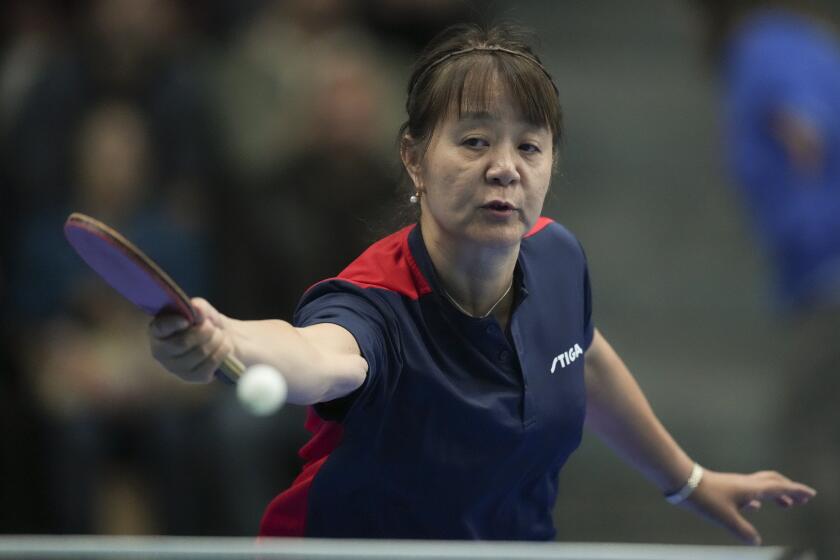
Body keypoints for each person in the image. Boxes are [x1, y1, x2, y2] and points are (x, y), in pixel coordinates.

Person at [148, 23, 815, 542]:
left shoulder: (555, 258)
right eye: (473, 142)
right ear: (414, 157)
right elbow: (317, 357)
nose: (505, 168)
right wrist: (226, 339)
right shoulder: (377, 303)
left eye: (529, 146)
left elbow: (579, 356)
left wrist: (690, 482)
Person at [696, 0, 840, 555]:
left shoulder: (763, 44)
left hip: (830, 275)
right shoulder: (802, 40)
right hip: (818, 279)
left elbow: (805, 130)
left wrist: (806, 223)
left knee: (813, 440)